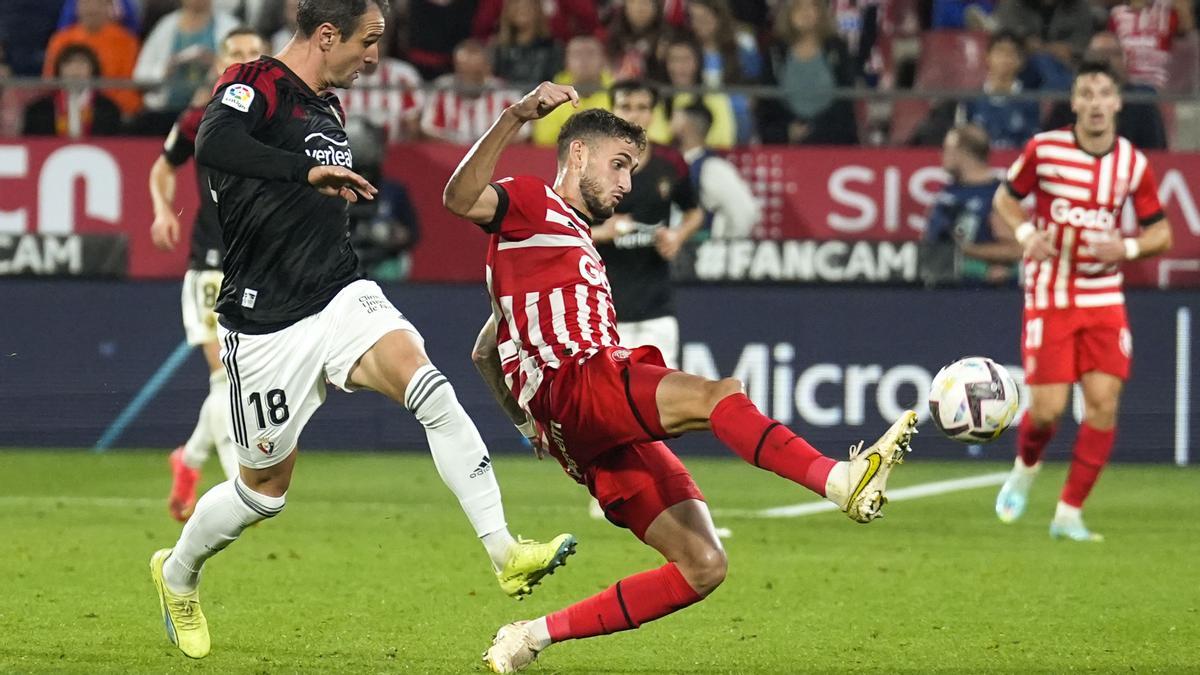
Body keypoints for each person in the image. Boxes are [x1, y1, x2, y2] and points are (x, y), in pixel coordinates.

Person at [147, 1, 574, 660]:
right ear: (326, 35)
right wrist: (304, 173)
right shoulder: (256, 82)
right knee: (263, 494)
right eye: (368, 42)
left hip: (341, 294)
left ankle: (505, 550)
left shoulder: (330, 108)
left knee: (430, 388)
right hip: (264, 323)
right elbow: (213, 144)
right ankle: (177, 573)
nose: (375, 57)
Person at [441, 86, 918, 674]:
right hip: (579, 380)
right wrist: (516, 115)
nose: (626, 183)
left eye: (632, 170)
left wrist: (526, 426)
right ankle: (839, 481)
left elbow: (485, 350)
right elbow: (459, 197)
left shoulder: (558, 239)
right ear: (579, 155)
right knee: (719, 396)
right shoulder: (531, 201)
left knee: (703, 565)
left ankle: (530, 636)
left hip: (576, 427)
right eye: (619, 164)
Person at [992, 59, 1174, 542]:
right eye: (1086, 94)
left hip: (1104, 295)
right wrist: (1027, 231)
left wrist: (1128, 248)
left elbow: (1162, 233)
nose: (1095, 103)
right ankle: (1025, 467)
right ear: (1074, 103)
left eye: (1103, 94)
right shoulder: (1045, 150)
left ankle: (1069, 513)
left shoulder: (1131, 163)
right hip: (1051, 291)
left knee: (1103, 404)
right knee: (1048, 410)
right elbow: (1005, 199)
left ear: (1117, 102)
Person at [148, 27, 266, 523]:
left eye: (251, 54)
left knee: (241, 376)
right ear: (222, 62)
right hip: (211, 263)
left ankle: (188, 460)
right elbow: (162, 168)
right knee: (225, 376)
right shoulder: (200, 119)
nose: (242, 60)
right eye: (234, 53)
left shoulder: (280, 117)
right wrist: (160, 211)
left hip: (261, 261)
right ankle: (236, 484)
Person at [590, 80, 703, 370]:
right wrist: (603, 232)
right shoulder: (592, 166)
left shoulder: (670, 163)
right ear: (612, 111)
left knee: (660, 395)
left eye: (642, 108)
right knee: (608, 402)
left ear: (653, 114)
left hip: (656, 306)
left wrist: (677, 236)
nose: (634, 115)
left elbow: (695, 212)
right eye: (625, 107)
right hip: (603, 308)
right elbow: (566, 227)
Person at [919, 124, 1022, 287]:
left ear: (963, 152)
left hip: (975, 294)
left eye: (947, 149)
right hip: (938, 289)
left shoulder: (997, 195)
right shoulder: (947, 192)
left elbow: (1016, 249)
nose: (942, 155)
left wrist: (963, 250)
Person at [1044, 32, 1170, 150]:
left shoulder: (1141, 100)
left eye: (1114, 54)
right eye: (1100, 54)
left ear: (1124, 60)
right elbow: (1051, 146)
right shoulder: (1068, 100)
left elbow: (1156, 151)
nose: (1107, 60)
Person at [766, 0, 859, 145]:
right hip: (786, 144)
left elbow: (846, 96)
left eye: (812, 6)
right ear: (788, 13)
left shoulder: (837, 48)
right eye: (799, 7)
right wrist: (785, 131)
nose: (806, 12)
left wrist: (818, 128)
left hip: (834, 140)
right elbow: (766, 102)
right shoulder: (776, 51)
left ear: (821, 13)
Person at [133, 0, 240, 122]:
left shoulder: (230, 27)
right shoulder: (165, 26)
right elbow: (140, 75)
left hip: (213, 115)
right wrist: (165, 69)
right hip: (166, 112)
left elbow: (245, 74)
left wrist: (217, 64)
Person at [670, 101, 761, 240]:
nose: (668, 124)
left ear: (685, 125)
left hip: (698, 253)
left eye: (673, 119)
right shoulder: (670, 162)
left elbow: (746, 212)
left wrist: (721, 246)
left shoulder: (713, 167)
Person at [43, 0, 143, 117]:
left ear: (109, 7)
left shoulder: (127, 42)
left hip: (112, 112)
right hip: (64, 109)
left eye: (98, 3)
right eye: (86, 3)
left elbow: (129, 85)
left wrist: (106, 107)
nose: (92, 9)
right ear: (76, 7)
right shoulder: (60, 40)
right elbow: (50, 81)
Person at [420, 39, 525, 145]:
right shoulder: (443, 89)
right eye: (464, 70)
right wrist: (455, 145)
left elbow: (523, 132)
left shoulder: (505, 92)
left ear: (487, 68)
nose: (469, 77)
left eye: (475, 72)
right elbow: (427, 128)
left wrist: (490, 145)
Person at [957, 30, 1042, 150]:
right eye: (1000, 52)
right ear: (987, 56)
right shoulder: (970, 100)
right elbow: (962, 143)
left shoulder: (1030, 101)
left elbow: (1032, 145)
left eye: (1011, 53)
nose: (1005, 58)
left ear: (1021, 61)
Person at [23, 44, 123, 137]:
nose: (75, 70)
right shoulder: (38, 109)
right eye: (69, 63)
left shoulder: (109, 109)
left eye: (82, 63)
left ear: (93, 70)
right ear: (59, 70)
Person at [531, 35, 612, 147]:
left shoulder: (618, 94)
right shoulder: (551, 93)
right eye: (577, 54)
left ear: (604, 59)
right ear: (566, 61)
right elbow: (543, 138)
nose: (584, 60)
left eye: (591, 53)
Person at [1108, 0, 1194, 91]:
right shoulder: (1117, 14)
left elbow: (1185, 29)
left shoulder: (1170, 12)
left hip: (1161, 87)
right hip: (1126, 85)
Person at [489, 0, 562, 86]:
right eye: (517, 4)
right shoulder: (498, 49)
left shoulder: (552, 48)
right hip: (506, 98)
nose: (522, 8)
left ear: (537, 10)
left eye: (528, 4)